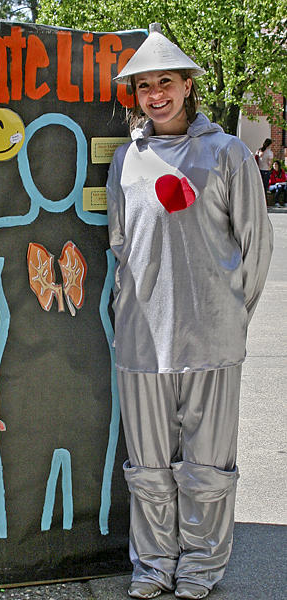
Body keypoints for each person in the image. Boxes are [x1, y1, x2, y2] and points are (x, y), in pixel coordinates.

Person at [107, 23, 273, 600]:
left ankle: (201, 568)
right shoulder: (127, 160)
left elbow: (256, 246)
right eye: (145, 85)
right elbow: (120, 244)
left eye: (166, 82)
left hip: (211, 339)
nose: (156, 94)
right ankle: (152, 567)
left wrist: (229, 313)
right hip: (139, 341)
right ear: (135, 94)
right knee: (147, 467)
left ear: (186, 86)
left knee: (207, 467)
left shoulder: (226, 153)